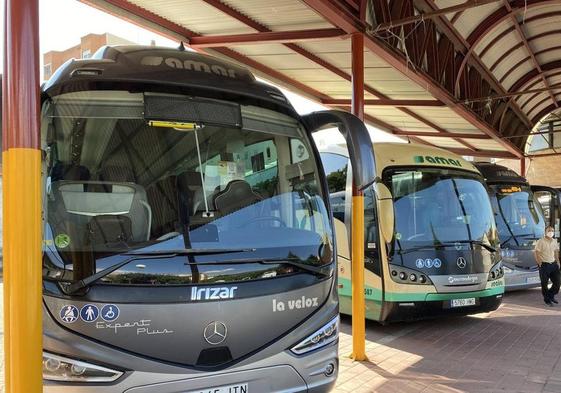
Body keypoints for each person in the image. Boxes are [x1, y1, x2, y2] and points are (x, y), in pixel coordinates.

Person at [534, 226, 560, 306]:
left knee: (558, 282)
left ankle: (550, 295)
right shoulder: (540, 241)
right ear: (545, 232)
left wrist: (558, 261)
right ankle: (547, 300)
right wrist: (539, 262)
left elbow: (556, 252)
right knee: (544, 284)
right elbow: (536, 252)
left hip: (553, 264)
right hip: (544, 265)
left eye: (552, 231)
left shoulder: (554, 241)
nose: (551, 232)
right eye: (549, 230)